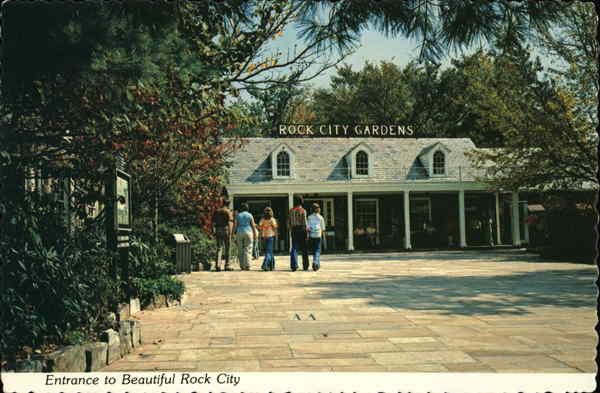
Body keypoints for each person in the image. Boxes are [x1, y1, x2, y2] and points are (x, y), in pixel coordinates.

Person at [233, 203, 258, 271]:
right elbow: (253, 225)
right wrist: (255, 234)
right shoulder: (250, 215)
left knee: (240, 249)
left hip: (239, 232)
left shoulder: (238, 215)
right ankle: (247, 265)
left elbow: (235, 225)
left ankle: (242, 266)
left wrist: (233, 234)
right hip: (248, 232)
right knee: (248, 249)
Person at [287, 195, 309, 271]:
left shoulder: (291, 210)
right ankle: (305, 265)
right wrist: (306, 231)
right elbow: (305, 222)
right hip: (302, 230)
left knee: (294, 248)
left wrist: (290, 229)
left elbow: (288, 222)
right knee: (304, 248)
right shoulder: (303, 210)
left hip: (294, 230)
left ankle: (294, 265)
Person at [212, 198, 234, 271]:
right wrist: (231, 233)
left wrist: (214, 231)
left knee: (219, 248)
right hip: (226, 229)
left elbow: (213, 222)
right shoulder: (228, 211)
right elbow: (229, 222)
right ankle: (227, 265)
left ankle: (217, 265)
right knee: (227, 248)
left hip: (218, 229)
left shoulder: (217, 211)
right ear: (228, 204)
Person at [307, 203, 325, 271]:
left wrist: (308, 236)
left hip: (312, 235)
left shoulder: (309, 217)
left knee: (314, 250)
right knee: (317, 250)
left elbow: (308, 228)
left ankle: (317, 265)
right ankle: (315, 262)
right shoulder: (320, 217)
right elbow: (323, 228)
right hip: (318, 235)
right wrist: (323, 237)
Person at [258, 207, 278, 271]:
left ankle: (272, 266)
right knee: (269, 252)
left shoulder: (262, 219)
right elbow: (275, 227)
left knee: (269, 251)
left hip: (264, 236)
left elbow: (260, 227)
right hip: (271, 236)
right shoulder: (272, 219)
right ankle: (265, 265)